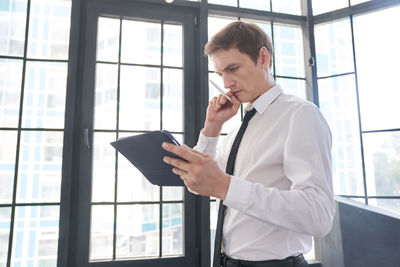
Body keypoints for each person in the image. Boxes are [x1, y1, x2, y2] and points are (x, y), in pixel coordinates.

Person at [162, 21, 335, 267]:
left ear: (263, 58)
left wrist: (225, 186)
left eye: (233, 68)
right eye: (221, 74)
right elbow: (198, 184)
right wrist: (212, 129)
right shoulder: (235, 131)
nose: (226, 83)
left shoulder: (301, 115)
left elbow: (318, 216)